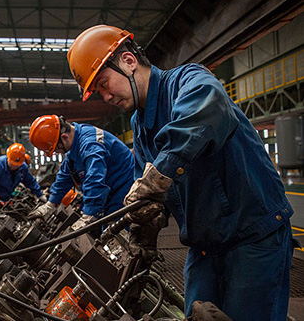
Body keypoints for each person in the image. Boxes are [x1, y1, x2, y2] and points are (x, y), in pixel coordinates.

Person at [67, 24, 296, 320]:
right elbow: (146, 198)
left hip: (252, 236)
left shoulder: (189, 80)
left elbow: (208, 109)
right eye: (98, 91)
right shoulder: (140, 126)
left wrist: (160, 172)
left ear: (128, 61)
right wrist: (142, 237)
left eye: (104, 83)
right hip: (204, 248)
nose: (106, 97)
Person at [27, 115, 134, 233]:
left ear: (64, 137)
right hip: (110, 192)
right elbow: (64, 176)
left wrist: (89, 214)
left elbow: (95, 179)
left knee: (115, 236)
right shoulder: (76, 144)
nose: (57, 153)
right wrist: (50, 205)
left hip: (124, 191)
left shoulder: (90, 144)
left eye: (56, 150)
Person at [0, 143, 46, 213]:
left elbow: (30, 182)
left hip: (6, 201)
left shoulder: (23, 168)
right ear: (8, 157)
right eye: (12, 164)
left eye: (16, 165)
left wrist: (40, 195)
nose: (14, 167)